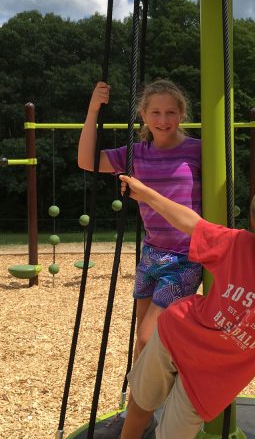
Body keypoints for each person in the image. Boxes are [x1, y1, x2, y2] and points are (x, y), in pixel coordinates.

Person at [117, 174, 255, 439]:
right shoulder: (241, 247)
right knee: (140, 408)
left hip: (208, 380)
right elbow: (193, 224)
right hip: (174, 336)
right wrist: (145, 193)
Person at [78, 79, 202, 437]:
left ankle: (150, 406)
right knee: (141, 337)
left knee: (150, 338)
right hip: (151, 253)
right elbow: (87, 161)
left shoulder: (198, 150)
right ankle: (141, 408)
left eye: (171, 112)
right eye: (156, 112)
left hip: (186, 255)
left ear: (181, 114)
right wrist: (93, 109)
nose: (164, 119)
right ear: (143, 115)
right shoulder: (136, 153)